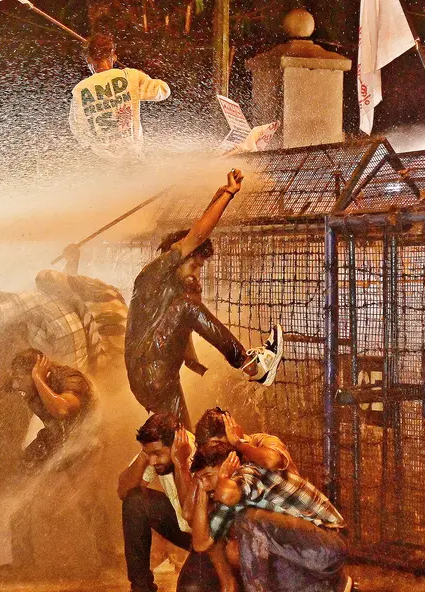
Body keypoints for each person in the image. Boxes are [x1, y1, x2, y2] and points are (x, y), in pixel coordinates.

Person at [124, 169, 284, 427]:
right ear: (174, 257)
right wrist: (229, 195)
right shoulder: (154, 274)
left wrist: (219, 194)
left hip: (159, 379)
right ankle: (250, 364)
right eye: (194, 265)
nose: (197, 273)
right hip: (149, 372)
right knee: (188, 305)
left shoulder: (174, 291)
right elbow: (196, 235)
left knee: (180, 440)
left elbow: (178, 326)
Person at [189, 442, 351, 592]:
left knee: (248, 519)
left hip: (331, 542)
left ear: (229, 464)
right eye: (201, 480)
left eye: (208, 476)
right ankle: (332, 586)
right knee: (247, 547)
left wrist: (223, 477)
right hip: (313, 557)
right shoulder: (227, 495)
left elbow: (228, 494)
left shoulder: (249, 471)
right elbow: (201, 543)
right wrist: (202, 492)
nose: (207, 484)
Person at [0, 348, 96, 576]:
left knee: (86, 498)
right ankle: (23, 562)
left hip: (86, 440)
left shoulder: (70, 379)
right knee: (19, 484)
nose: (16, 386)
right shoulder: (25, 380)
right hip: (54, 439)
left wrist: (37, 380)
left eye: (20, 379)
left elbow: (62, 408)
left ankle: (100, 557)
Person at [118, 413, 218, 592]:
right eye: (149, 454)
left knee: (190, 588)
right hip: (184, 528)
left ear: (174, 444)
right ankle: (141, 588)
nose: (153, 461)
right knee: (135, 501)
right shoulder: (154, 453)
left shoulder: (198, 453)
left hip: (208, 536)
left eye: (157, 454)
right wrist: (144, 456)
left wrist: (180, 463)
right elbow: (123, 492)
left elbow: (192, 515)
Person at [69, 33, 171, 162]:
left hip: (102, 162)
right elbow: (163, 91)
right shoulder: (131, 77)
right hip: (133, 158)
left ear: (89, 59)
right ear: (114, 56)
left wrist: (92, 147)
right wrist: (143, 78)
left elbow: (78, 129)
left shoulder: (79, 90)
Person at [194, 407, 298, 475]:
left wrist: (238, 443)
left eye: (215, 448)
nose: (214, 455)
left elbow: (271, 461)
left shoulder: (265, 441)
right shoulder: (228, 460)